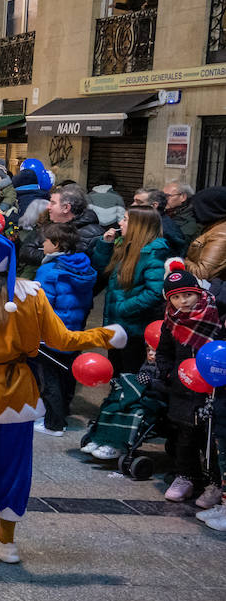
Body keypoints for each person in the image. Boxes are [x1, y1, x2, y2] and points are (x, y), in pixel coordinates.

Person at [0, 233, 125, 563]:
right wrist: (106, 335)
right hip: (18, 395)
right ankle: (5, 542)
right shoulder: (33, 294)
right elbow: (63, 339)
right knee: (14, 466)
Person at [152, 266, 224, 505]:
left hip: (215, 389)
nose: (182, 301)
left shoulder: (217, 316)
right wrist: (170, 373)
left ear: (198, 292)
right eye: (175, 297)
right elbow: (163, 353)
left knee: (212, 437)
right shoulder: (171, 321)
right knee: (185, 434)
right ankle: (186, 476)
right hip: (183, 388)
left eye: (187, 295)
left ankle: (215, 482)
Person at [30, 222, 97, 436]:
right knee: (66, 374)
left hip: (51, 333)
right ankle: (62, 414)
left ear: (56, 244)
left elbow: (41, 305)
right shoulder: (84, 266)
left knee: (50, 379)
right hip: (74, 330)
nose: (43, 244)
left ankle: (54, 423)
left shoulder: (49, 270)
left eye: (47, 241)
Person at [91, 207, 169, 375]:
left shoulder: (153, 253)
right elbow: (102, 271)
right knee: (115, 373)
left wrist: (123, 308)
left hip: (134, 329)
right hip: (117, 325)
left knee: (128, 375)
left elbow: (155, 292)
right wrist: (106, 245)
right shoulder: (127, 245)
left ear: (139, 226)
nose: (120, 223)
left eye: (125, 219)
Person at [185, 186, 226, 281]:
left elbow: (202, 274)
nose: (194, 211)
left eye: (196, 207)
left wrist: (184, 261)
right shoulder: (214, 227)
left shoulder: (221, 235)